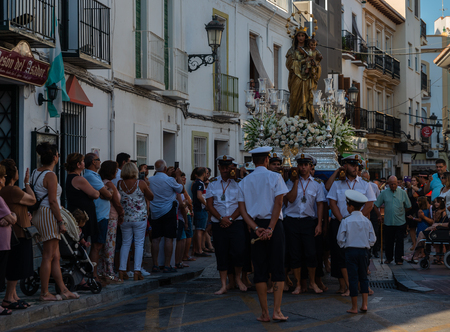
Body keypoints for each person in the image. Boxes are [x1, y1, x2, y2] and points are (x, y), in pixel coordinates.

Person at [238, 146, 289, 322]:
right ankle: (277, 311)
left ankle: (264, 313)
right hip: (274, 225)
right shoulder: (275, 177)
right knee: (277, 268)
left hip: (256, 226)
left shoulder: (244, 181)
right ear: (267, 160)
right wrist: (271, 228)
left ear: (253, 161)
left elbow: (242, 210)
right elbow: (279, 203)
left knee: (259, 269)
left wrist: (255, 228)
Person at [32, 142, 79, 301]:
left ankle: (63, 289)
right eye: (58, 154)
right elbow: (53, 201)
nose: (59, 157)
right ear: (54, 157)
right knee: (48, 255)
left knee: (56, 255)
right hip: (49, 215)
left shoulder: (35, 173)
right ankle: (44, 293)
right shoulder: (50, 175)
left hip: (40, 214)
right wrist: (60, 221)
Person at [326, 155, 375, 296]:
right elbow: (332, 203)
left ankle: (359, 285)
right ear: (345, 166)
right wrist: (343, 220)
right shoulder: (337, 183)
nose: (355, 168)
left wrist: (355, 218)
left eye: (357, 165)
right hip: (340, 222)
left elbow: (370, 204)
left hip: (358, 224)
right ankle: (347, 286)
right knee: (340, 255)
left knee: (360, 255)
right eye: (352, 165)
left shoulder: (365, 184)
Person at [283, 153, 325, 294]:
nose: (303, 167)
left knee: (311, 253)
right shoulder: (289, 182)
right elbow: (290, 198)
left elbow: (320, 205)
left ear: (310, 166)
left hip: (308, 222)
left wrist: (319, 224)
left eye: (305, 165)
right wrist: (295, 181)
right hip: (292, 221)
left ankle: (312, 282)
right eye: (300, 165)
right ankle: (298, 285)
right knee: (295, 254)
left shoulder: (317, 184)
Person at [206, 155, 247, 295]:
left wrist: (230, 218)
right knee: (221, 253)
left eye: (227, 167)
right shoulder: (212, 183)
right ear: (218, 167)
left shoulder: (239, 182)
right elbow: (209, 204)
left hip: (236, 222)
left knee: (238, 252)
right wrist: (220, 218)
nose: (225, 170)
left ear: (232, 167)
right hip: (219, 223)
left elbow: (243, 204)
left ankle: (237, 278)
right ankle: (224, 284)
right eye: (222, 167)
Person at [0, 160, 36, 310]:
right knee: (16, 266)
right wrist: (27, 183)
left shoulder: (7, 191)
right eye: (16, 169)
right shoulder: (12, 190)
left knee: (15, 265)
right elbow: (33, 199)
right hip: (19, 232)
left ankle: (13, 296)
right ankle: (9, 297)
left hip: (16, 230)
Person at [337, 190, 376, 314]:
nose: (347, 208)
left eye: (347, 205)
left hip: (351, 251)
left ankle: (354, 307)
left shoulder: (346, 221)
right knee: (364, 277)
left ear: (351, 207)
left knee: (353, 278)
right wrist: (366, 245)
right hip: (364, 252)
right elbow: (373, 239)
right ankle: (364, 305)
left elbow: (339, 239)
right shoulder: (366, 221)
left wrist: (345, 246)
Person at [118, 162, 154, 280]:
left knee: (125, 243)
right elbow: (151, 197)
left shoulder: (119, 183)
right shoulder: (141, 183)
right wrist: (147, 186)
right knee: (139, 244)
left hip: (125, 218)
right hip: (139, 218)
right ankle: (137, 271)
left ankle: (122, 270)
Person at [148, 159, 182, 273]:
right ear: (165, 169)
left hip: (155, 212)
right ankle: (167, 265)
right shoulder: (170, 180)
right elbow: (180, 189)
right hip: (168, 211)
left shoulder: (150, 180)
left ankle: (155, 264)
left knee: (155, 239)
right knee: (169, 238)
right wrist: (178, 176)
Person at [84, 153, 113, 282]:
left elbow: (106, 193)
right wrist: (107, 192)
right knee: (97, 245)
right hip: (99, 215)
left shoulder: (95, 176)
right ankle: (93, 275)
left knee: (98, 245)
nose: (99, 161)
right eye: (97, 159)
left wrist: (106, 192)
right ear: (92, 162)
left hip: (102, 214)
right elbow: (108, 194)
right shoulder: (90, 175)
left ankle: (94, 273)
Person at [374, 176, 411, 265]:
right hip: (388, 221)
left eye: (395, 184)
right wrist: (379, 215)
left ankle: (399, 259)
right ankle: (389, 258)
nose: (393, 186)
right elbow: (375, 205)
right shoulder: (384, 193)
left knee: (400, 241)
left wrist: (401, 211)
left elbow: (408, 206)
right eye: (391, 184)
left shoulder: (403, 192)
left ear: (397, 183)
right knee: (388, 241)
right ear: (388, 184)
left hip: (400, 221)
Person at [98, 161, 125, 283]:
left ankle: (103, 270)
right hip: (112, 216)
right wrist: (122, 213)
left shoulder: (101, 182)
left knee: (104, 245)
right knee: (110, 245)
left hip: (106, 216)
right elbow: (116, 202)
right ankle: (109, 272)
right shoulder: (109, 184)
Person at [0, 164, 17, 315]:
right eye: (2, 177)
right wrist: (11, 217)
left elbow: (10, 217)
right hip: (1, 243)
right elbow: (11, 219)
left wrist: (11, 217)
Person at [286, 30, 313, 120]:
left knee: (305, 99)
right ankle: (293, 120)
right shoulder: (291, 50)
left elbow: (316, 64)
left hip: (307, 78)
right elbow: (289, 64)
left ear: (305, 37)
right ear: (296, 37)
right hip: (296, 77)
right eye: (299, 36)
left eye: (302, 35)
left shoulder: (309, 50)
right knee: (294, 98)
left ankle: (305, 120)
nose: (301, 37)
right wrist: (303, 61)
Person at [361, 170, 381, 258]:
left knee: (375, 230)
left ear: (369, 178)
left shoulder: (374, 186)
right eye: (363, 177)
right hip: (363, 208)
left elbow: (377, 199)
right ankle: (367, 250)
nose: (365, 179)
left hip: (372, 210)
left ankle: (375, 250)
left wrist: (378, 213)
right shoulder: (359, 185)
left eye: (366, 178)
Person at [191, 167, 210, 257]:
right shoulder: (200, 183)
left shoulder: (196, 183)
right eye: (206, 173)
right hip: (201, 209)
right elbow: (199, 196)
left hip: (198, 208)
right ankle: (199, 250)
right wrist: (206, 204)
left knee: (199, 229)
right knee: (200, 230)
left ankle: (196, 248)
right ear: (203, 174)